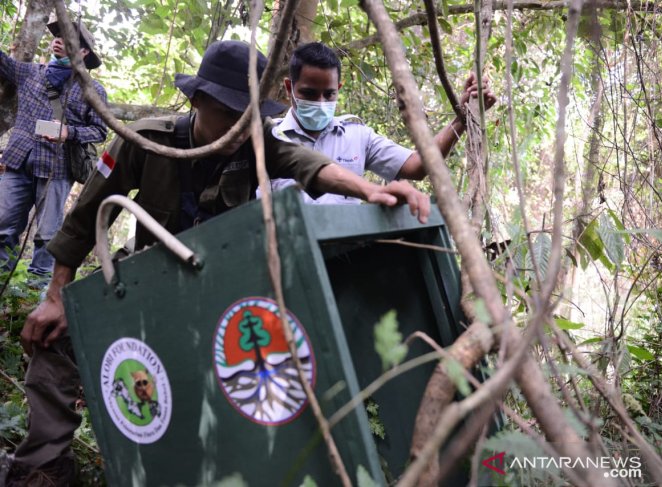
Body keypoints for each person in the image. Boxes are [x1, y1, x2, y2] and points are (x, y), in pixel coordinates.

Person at [6, 40, 429, 485]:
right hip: (144, 279)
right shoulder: (146, 141)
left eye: (248, 116)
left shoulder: (256, 143)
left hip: (220, 294)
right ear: (197, 100)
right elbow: (84, 218)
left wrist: (371, 191)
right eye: (228, 113)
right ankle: (45, 465)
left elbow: (310, 164)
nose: (239, 128)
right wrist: (56, 296)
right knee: (54, 341)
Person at [262, 42, 497, 204]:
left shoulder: (357, 136)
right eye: (310, 93)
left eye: (329, 94)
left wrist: (462, 120)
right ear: (289, 87)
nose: (320, 102)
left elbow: (418, 166)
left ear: (339, 90)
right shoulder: (270, 141)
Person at [0, 20, 107, 286]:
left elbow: (100, 131)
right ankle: (3, 283)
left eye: (68, 38)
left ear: (83, 52)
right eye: (58, 35)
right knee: (3, 226)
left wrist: (68, 132)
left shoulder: (92, 90)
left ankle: (34, 292)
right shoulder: (30, 73)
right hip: (17, 163)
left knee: (47, 236)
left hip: (57, 170)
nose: (58, 39)